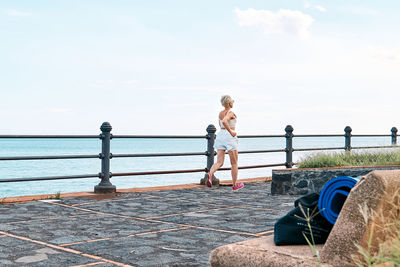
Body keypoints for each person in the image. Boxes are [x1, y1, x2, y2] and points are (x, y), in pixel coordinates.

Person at [207, 95, 244, 191]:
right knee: (234, 163)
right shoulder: (230, 113)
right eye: (232, 101)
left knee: (219, 162)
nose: (233, 103)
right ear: (229, 103)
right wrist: (231, 132)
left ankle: (210, 174)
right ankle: (235, 185)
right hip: (229, 136)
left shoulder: (220, 113)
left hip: (220, 136)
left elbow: (221, 122)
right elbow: (224, 121)